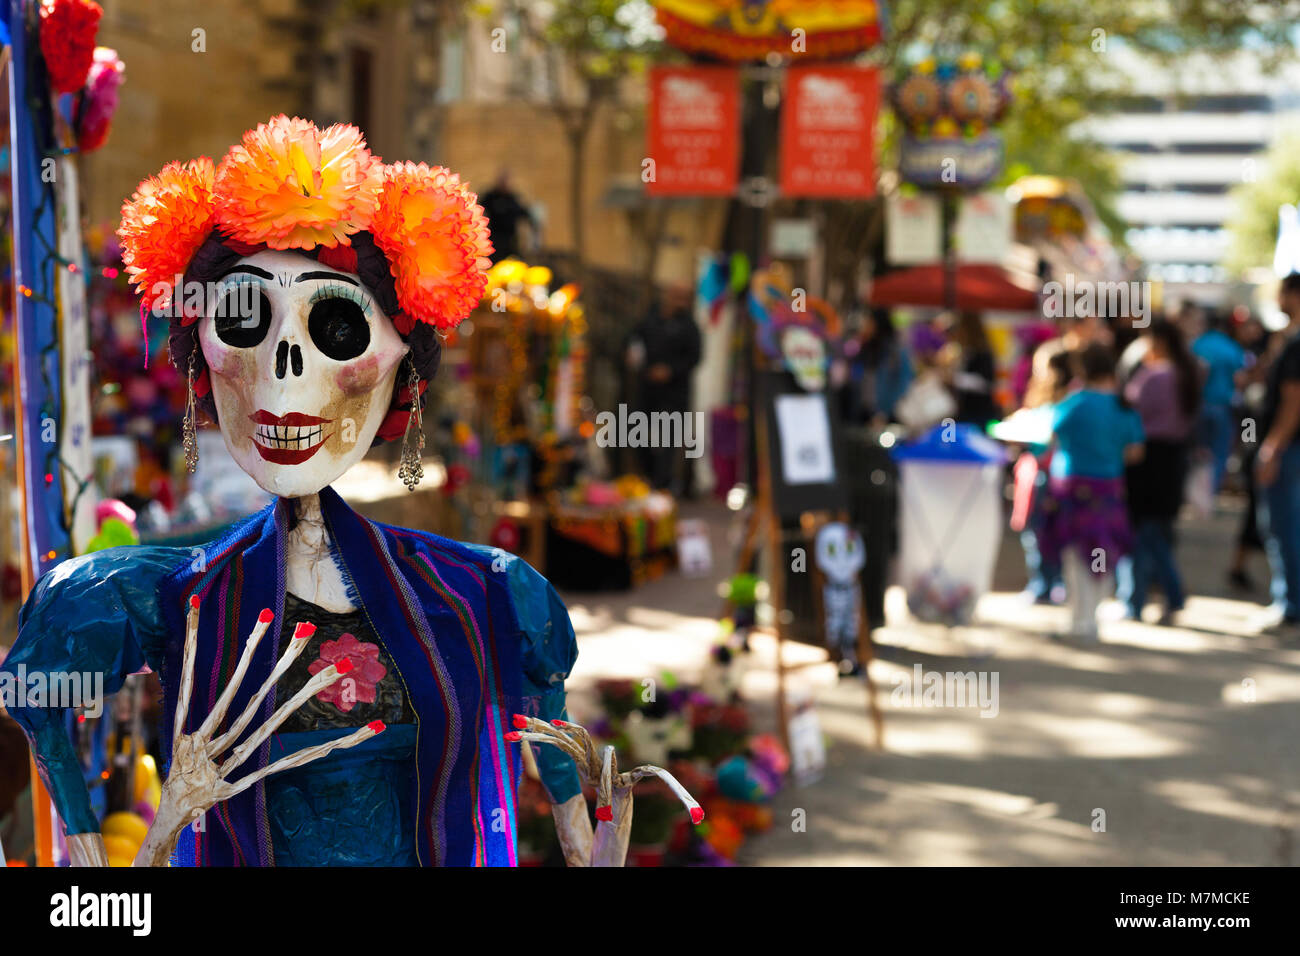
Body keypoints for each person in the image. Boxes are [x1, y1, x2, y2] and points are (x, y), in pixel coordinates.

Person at [1040, 344, 1145, 641]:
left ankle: (1081, 620)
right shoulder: (1122, 406)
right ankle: (1091, 618)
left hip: (1074, 490)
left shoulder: (1075, 403)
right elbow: (1136, 451)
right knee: (1102, 554)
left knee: (1077, 556)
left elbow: (1049, 436)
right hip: (1109, 490)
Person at [1115, 321, 1200, 623]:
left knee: (1143, 534)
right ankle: (1159, 598)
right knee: (1158, 533)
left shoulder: (1156, 376)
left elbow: (1128, 407)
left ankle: (1140, 600)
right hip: (1172, 461)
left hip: (1147, 461)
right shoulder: (1185, 373)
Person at [1255, 272, 1300, 633]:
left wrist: (1272, 448)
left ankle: (1290, 602)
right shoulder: (1289, 340)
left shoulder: (1297, 344)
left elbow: (1293, 399)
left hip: (1289, 450)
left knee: (1284, 525)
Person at [1011, 340, 1072, 605]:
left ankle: (1053, 582)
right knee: (1034, 533)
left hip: (1052, 474)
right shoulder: (1037, 401)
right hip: (1034, 471)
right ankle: (1042, 582)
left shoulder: (1069, 403)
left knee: (1050, 532)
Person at [625, 284, 701, 495]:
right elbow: (633, 340)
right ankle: (648, 477)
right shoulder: (650, 318)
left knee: (668, 440)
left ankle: (662, 485)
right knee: (636, 433)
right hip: (648, 389)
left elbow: (694, 358)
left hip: (674, 393)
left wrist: (670, 370)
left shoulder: (689, 326)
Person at [1191, 309, 1248, 492]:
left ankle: (1195, 492)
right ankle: (1211, 492)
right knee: (1219, 452)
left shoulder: (1197, 344)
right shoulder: (1232, 347)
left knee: (1198, 451)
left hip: (1198, 406)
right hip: (1223, 407)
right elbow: (1240, 379)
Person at [844, 307, 913, 426]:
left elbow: (903, 384)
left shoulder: (895, 352)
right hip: (861, 414)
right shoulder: (865, 349)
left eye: (868, 322)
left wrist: (884, 413)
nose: (865, 327)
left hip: (886, 417)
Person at [941, 310, 1000, 426]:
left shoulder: (983, 353)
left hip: (979, 412)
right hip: (967, 411)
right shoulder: (965, 352)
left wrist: (955, 379)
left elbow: (987, 382)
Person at [479, 170, 536, 263]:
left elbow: (524, 213)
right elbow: (479, 209)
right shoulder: (490, 197)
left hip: (510, 240)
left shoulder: (512, 198)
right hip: (495, 239)